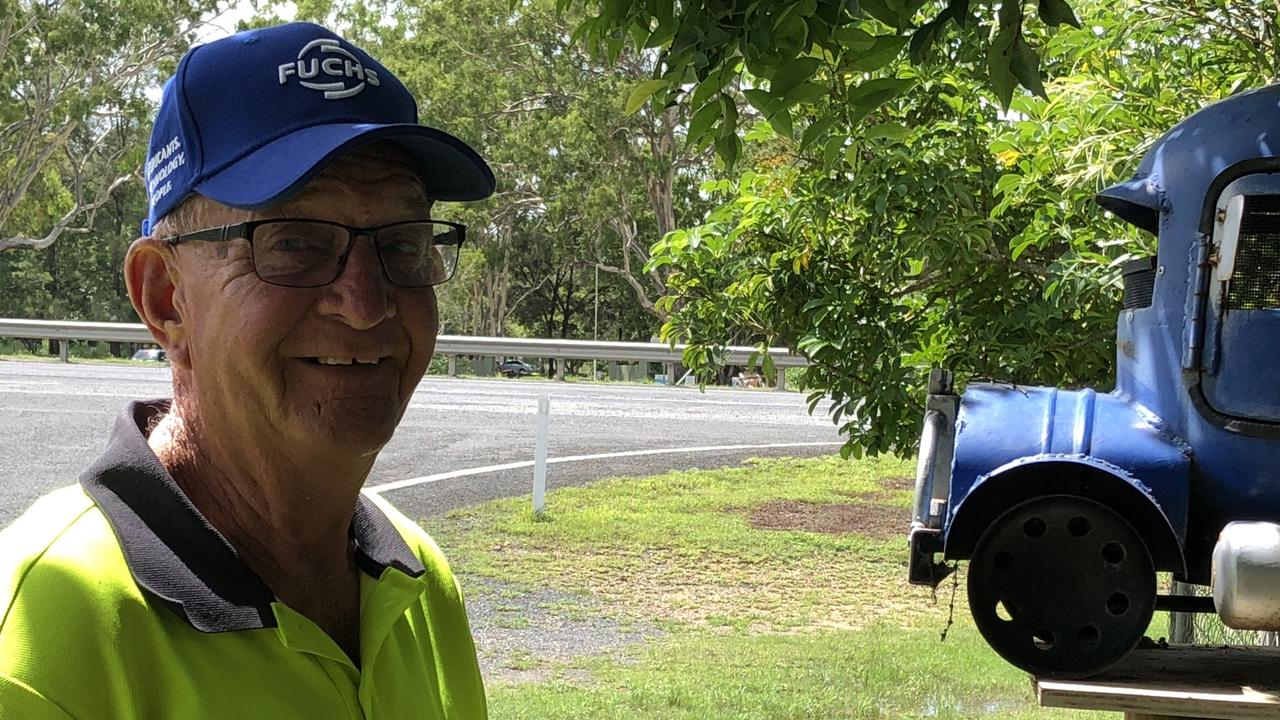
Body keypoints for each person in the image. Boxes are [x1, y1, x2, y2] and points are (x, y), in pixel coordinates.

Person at [0, 22, 494, 719]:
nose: (366, 303)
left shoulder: (415, 578)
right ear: (165, 298)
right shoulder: (44, 638)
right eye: (293, 241)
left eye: (402, 241)